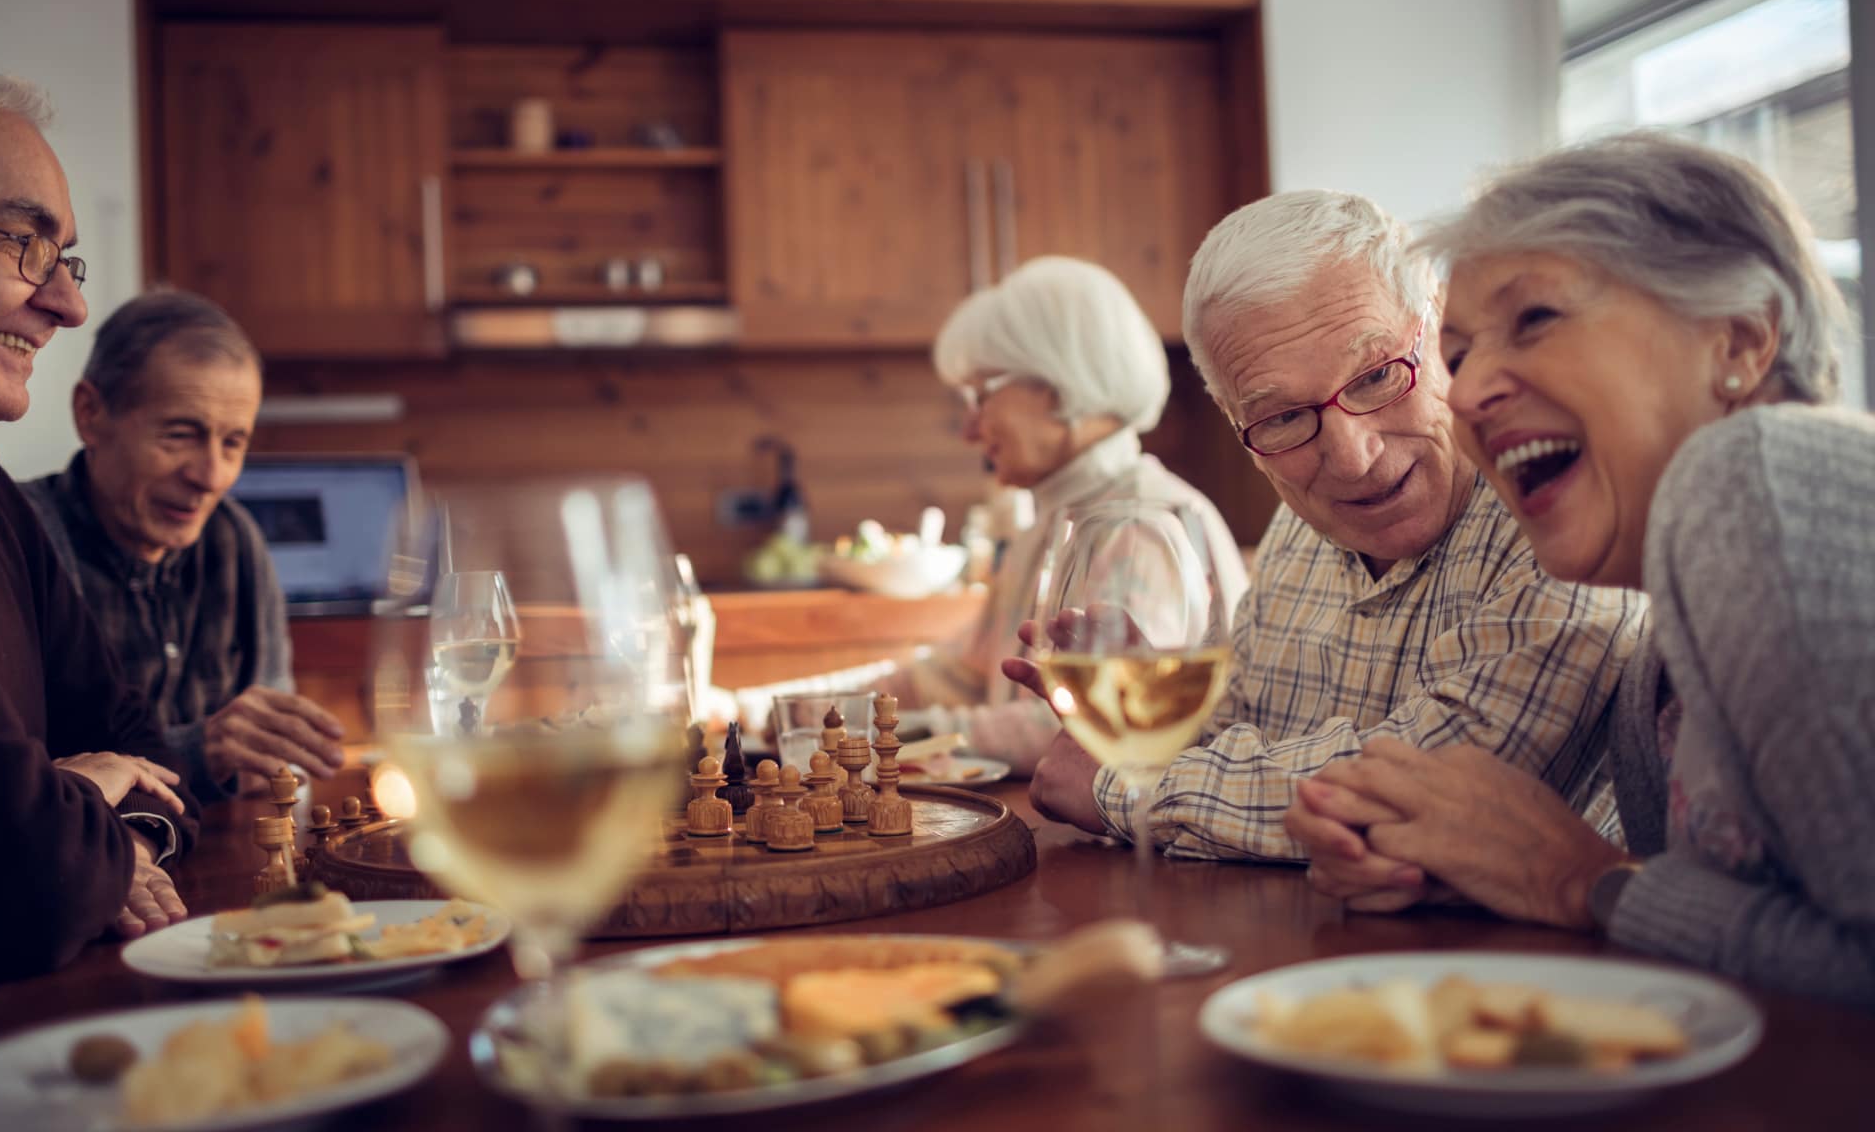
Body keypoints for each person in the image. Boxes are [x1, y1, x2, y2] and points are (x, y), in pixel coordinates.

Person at [1288, 133, 1875, 1003]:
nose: (1465, 391)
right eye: (1457, 355)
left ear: (1741, 341)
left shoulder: (1758, 478)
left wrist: (1577, 879)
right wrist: (1478, 862)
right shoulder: (1656, 682)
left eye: (1535, 319)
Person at [1015, 191, 1646, 863]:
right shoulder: (1298, 527)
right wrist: (1153, 720)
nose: (1353, 459)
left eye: (1376, 375)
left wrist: (1125, 786)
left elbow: (1434, 789)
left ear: (1440, 330)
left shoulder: (1560, 506)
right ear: (1237, 425)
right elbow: (1243, 735)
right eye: (1282, 418)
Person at [0, 46, 199, 1060]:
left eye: (67, 263)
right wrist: (83, 798)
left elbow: (138, 752)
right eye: (24, 243)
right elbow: (27, 876)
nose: (65, 306)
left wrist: (94, 806)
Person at [719, 256, 1249, 776]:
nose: (969, 429)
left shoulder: (1144, 526)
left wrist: (853, 733)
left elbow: (1082, 728)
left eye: (981, 395)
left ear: (1059, 385)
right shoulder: (1046, 524)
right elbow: (951, 678)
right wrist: (778, 705)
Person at [22, 290, 346, 801]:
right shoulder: (19, 538)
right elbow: (11, 783)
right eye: (179, 435)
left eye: (233, 442)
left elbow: (269, 765)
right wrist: (199, 752)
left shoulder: (236, 537)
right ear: (90, 415)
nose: (212, 476)